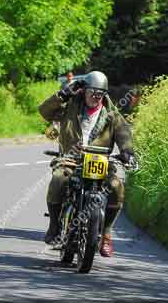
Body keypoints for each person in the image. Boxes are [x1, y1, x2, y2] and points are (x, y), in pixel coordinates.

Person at [38, 70, 135, 257]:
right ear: (83, 91)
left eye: (100, 94)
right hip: (71, 159)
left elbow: (124, 135)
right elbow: (44, 111)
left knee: (116, 186)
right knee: (58, 179)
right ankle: (54, 227)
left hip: (101, 161)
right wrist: (63, 94)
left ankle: (106, 233)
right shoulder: (69, 107)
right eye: (92, 92)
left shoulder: (112, 116)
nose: (95, 97)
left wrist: (128, 153)